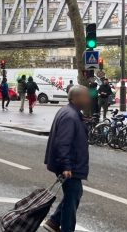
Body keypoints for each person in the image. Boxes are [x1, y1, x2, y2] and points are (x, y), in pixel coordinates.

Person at [44, 85, 90, 232]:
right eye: (85, 96)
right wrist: (66, 166)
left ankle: (53, 222)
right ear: (75, 98)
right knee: (72, 198)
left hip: (70, 164)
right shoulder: (71, 116)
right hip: (70, 166)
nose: (88, 99)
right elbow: (63, 143)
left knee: (74, 194)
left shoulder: (71, 113)